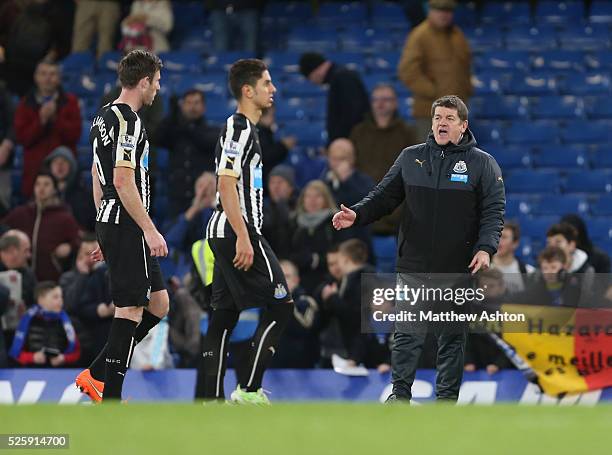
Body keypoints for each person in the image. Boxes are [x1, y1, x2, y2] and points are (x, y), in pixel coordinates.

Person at [332, 95, 505, 402]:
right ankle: (399, 396)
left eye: (449, 118)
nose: (441, 123)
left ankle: (447, 401)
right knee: (406, 334)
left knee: (452, 338)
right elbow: (383, 197)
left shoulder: (483, 164)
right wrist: (357, 214)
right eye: (437, 117)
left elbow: (494, 212)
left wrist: (485, 248)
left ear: (463, 126)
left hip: (457, 267)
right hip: (413, 263)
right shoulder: (410, 157)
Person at [74, 50, 170, 403]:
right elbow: (122, 180)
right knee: (130, 307)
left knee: (158, 304)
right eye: (157, 82)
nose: (158, 89)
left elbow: (97, 179)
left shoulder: (101, 117)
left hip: (114, 219)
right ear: (143, 81)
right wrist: (148, 228)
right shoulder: (129, 121)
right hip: (129, 221)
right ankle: (110, 396)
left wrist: (103, 226)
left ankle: (98, 373)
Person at [200, 59, 294, 404]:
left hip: (226, 229)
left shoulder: (247, 129)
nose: (274, 89)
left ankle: (211, 400)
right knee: (282, 304)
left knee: (224, 314)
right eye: (267, 83)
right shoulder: (238, 127)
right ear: (247, 90)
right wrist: (243, 235)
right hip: (235, 229)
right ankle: (249, 389)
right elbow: (226, 183)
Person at [398, 0, 472, 141]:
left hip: (456, 113)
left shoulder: (458, 35)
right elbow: (407, 72)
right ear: (430, 10)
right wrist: (435, 94)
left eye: (448, 11)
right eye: (439, 10)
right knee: (430, 159)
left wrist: (467, 91)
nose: (444, 14)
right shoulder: (419, 35)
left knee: (456, 159)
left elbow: (465, 68)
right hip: (430, 114)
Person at [350, 83, 417, 235]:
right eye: (376, 99)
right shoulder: (358, 132)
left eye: (386, 99)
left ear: (395, 103)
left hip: (398, 205)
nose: (380, 103)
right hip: (364, 202)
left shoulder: (407, 132)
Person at [13, 60, 81, 198]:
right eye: (43, 74)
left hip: (64, 177)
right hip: (34, 176)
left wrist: (56, 119)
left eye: (52, 74)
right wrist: (41, 121)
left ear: (59, 77)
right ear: (36, 77)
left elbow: (75, 135)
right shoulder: (25, 103)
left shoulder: (71, 102)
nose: (48, 78)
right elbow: (22, 138)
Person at [2, 172, 81, 281]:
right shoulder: (22, 213)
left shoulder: (64, 217)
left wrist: (70, 247)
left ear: (54, 189)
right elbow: (3, 228)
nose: (41, 188)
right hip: (23, 278)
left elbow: (78, 241)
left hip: (51, 279)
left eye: (46, 184)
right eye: (37, 184)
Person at [154, 89, 219, 218]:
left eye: (196, 103)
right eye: (188, 103)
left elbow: (205, 141)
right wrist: (172, 115)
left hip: (203, 198)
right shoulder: (175, 132)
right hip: (177, 198)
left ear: (204, 107)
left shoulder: (211, 130)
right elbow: (157, 138)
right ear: (182, 106)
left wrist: (184, 124)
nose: (192, 107)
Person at [59, 233, 112, 365]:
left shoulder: (108, 274)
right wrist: (82, 277)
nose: (91, 258)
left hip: (104, 337)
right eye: (87, 253)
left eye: (95, 253)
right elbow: (69, 306)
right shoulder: (68, 278)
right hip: (78, 340)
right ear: (79, 255)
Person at [290, 180, 347, 295]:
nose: (312, 201)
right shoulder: (293, 222)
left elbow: (341, 252)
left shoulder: (335, 222)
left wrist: (316, 260)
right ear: (303, 199)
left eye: (318, 196)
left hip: (327, 280)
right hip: (298, 280)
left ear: (326, 199)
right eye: (308, 196)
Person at [299, 52, 370, 142]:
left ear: (314, 71)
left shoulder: (342, 77)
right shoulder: (339, 76)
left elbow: (353, 113)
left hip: (351, 142)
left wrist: (338, 142)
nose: (313, 82)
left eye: (310, 78)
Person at [9, 281, 80, 367]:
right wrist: (32, 357)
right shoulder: (27, 321)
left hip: (61, 372)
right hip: (32, 374)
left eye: (61, 297)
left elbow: (77, 353)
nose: (60, 300)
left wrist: (64, 358)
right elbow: (15, 353)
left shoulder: (68, 322)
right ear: (41, 300)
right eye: (55, 297)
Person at [271, 260, 320, 368]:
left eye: (286, 276)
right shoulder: (266, 304)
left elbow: (304, 328)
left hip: (300, 368)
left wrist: (286, 302)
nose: (281, 280)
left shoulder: (306, 302)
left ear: (296, 280)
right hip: (271, 368)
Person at [44, 145, 97, 231]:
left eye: (64, 161)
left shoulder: (84, 196)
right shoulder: (42, 190)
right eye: (55, 162)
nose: (59, 165)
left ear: (72, 166)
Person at [164, 171, 216, 257]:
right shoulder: (187, 212)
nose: (204, 191)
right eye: (201, 186)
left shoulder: (219, 212)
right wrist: (195, 208)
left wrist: (213, 204)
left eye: (210, 186)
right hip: (190, 263)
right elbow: (171, 241)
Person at [0, 230, 36, 346]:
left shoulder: (28, 274)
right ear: (12, 251)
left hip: (20, 336)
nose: (29, 255)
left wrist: (28, 311)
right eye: (26, 250)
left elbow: (35, 302)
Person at [323, 138, 374, 208]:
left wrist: (347, 181)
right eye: (334, 158)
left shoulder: (364, 181)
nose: (337, 163)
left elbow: (365, 204)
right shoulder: (324, 178)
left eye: (342, 159)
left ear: (352, 159)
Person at [262, 164, 297, 260]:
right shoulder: (261, 208)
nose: (276, 187)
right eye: (272, 182)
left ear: (291, 187)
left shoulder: (299, 207)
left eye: (280, 182)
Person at [491, 220, 535, 293]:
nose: (498, 241)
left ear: (515, 243)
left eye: (504, 237)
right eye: (497, 236)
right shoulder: (480, 269)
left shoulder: (529, 272)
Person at [258, 106, 296, 188]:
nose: (273, 119)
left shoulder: (265, 132)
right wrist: (283, 146)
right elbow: (266, 156)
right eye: (271, 115)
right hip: (261, 179)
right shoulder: (259, 132)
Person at [0, 81, 15, 215]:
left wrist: (6, 145)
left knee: (3, 201)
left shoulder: (2, 93)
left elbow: (13, 122)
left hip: (2, 161)